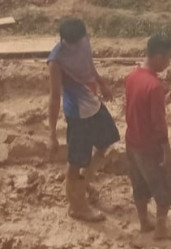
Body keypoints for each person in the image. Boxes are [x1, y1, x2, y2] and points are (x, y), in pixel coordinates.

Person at [47, 17, 120, 222]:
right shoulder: (56, 61)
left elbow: (90, 65)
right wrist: (52, 134)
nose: (77, 45)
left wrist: (102, 84)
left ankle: (83, 183)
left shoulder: (84, 41)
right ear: (63, 40)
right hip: (77, 115)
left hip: (94, 104)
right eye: (73, 43)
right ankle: (77, 207)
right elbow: (54, 97)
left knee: (106, 142)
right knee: (76, 162)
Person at [124, 34, 171, 240]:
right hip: (150, 146)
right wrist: (166, 151)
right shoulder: (155, 86)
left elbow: (137, 106)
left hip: (132, 141)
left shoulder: (131, 77)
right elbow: (158, 123)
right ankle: (161, 228)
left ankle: (143, 222)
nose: (168, 63)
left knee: (139, 184)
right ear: (158, 56)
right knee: (166, 187)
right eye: (168, 58)